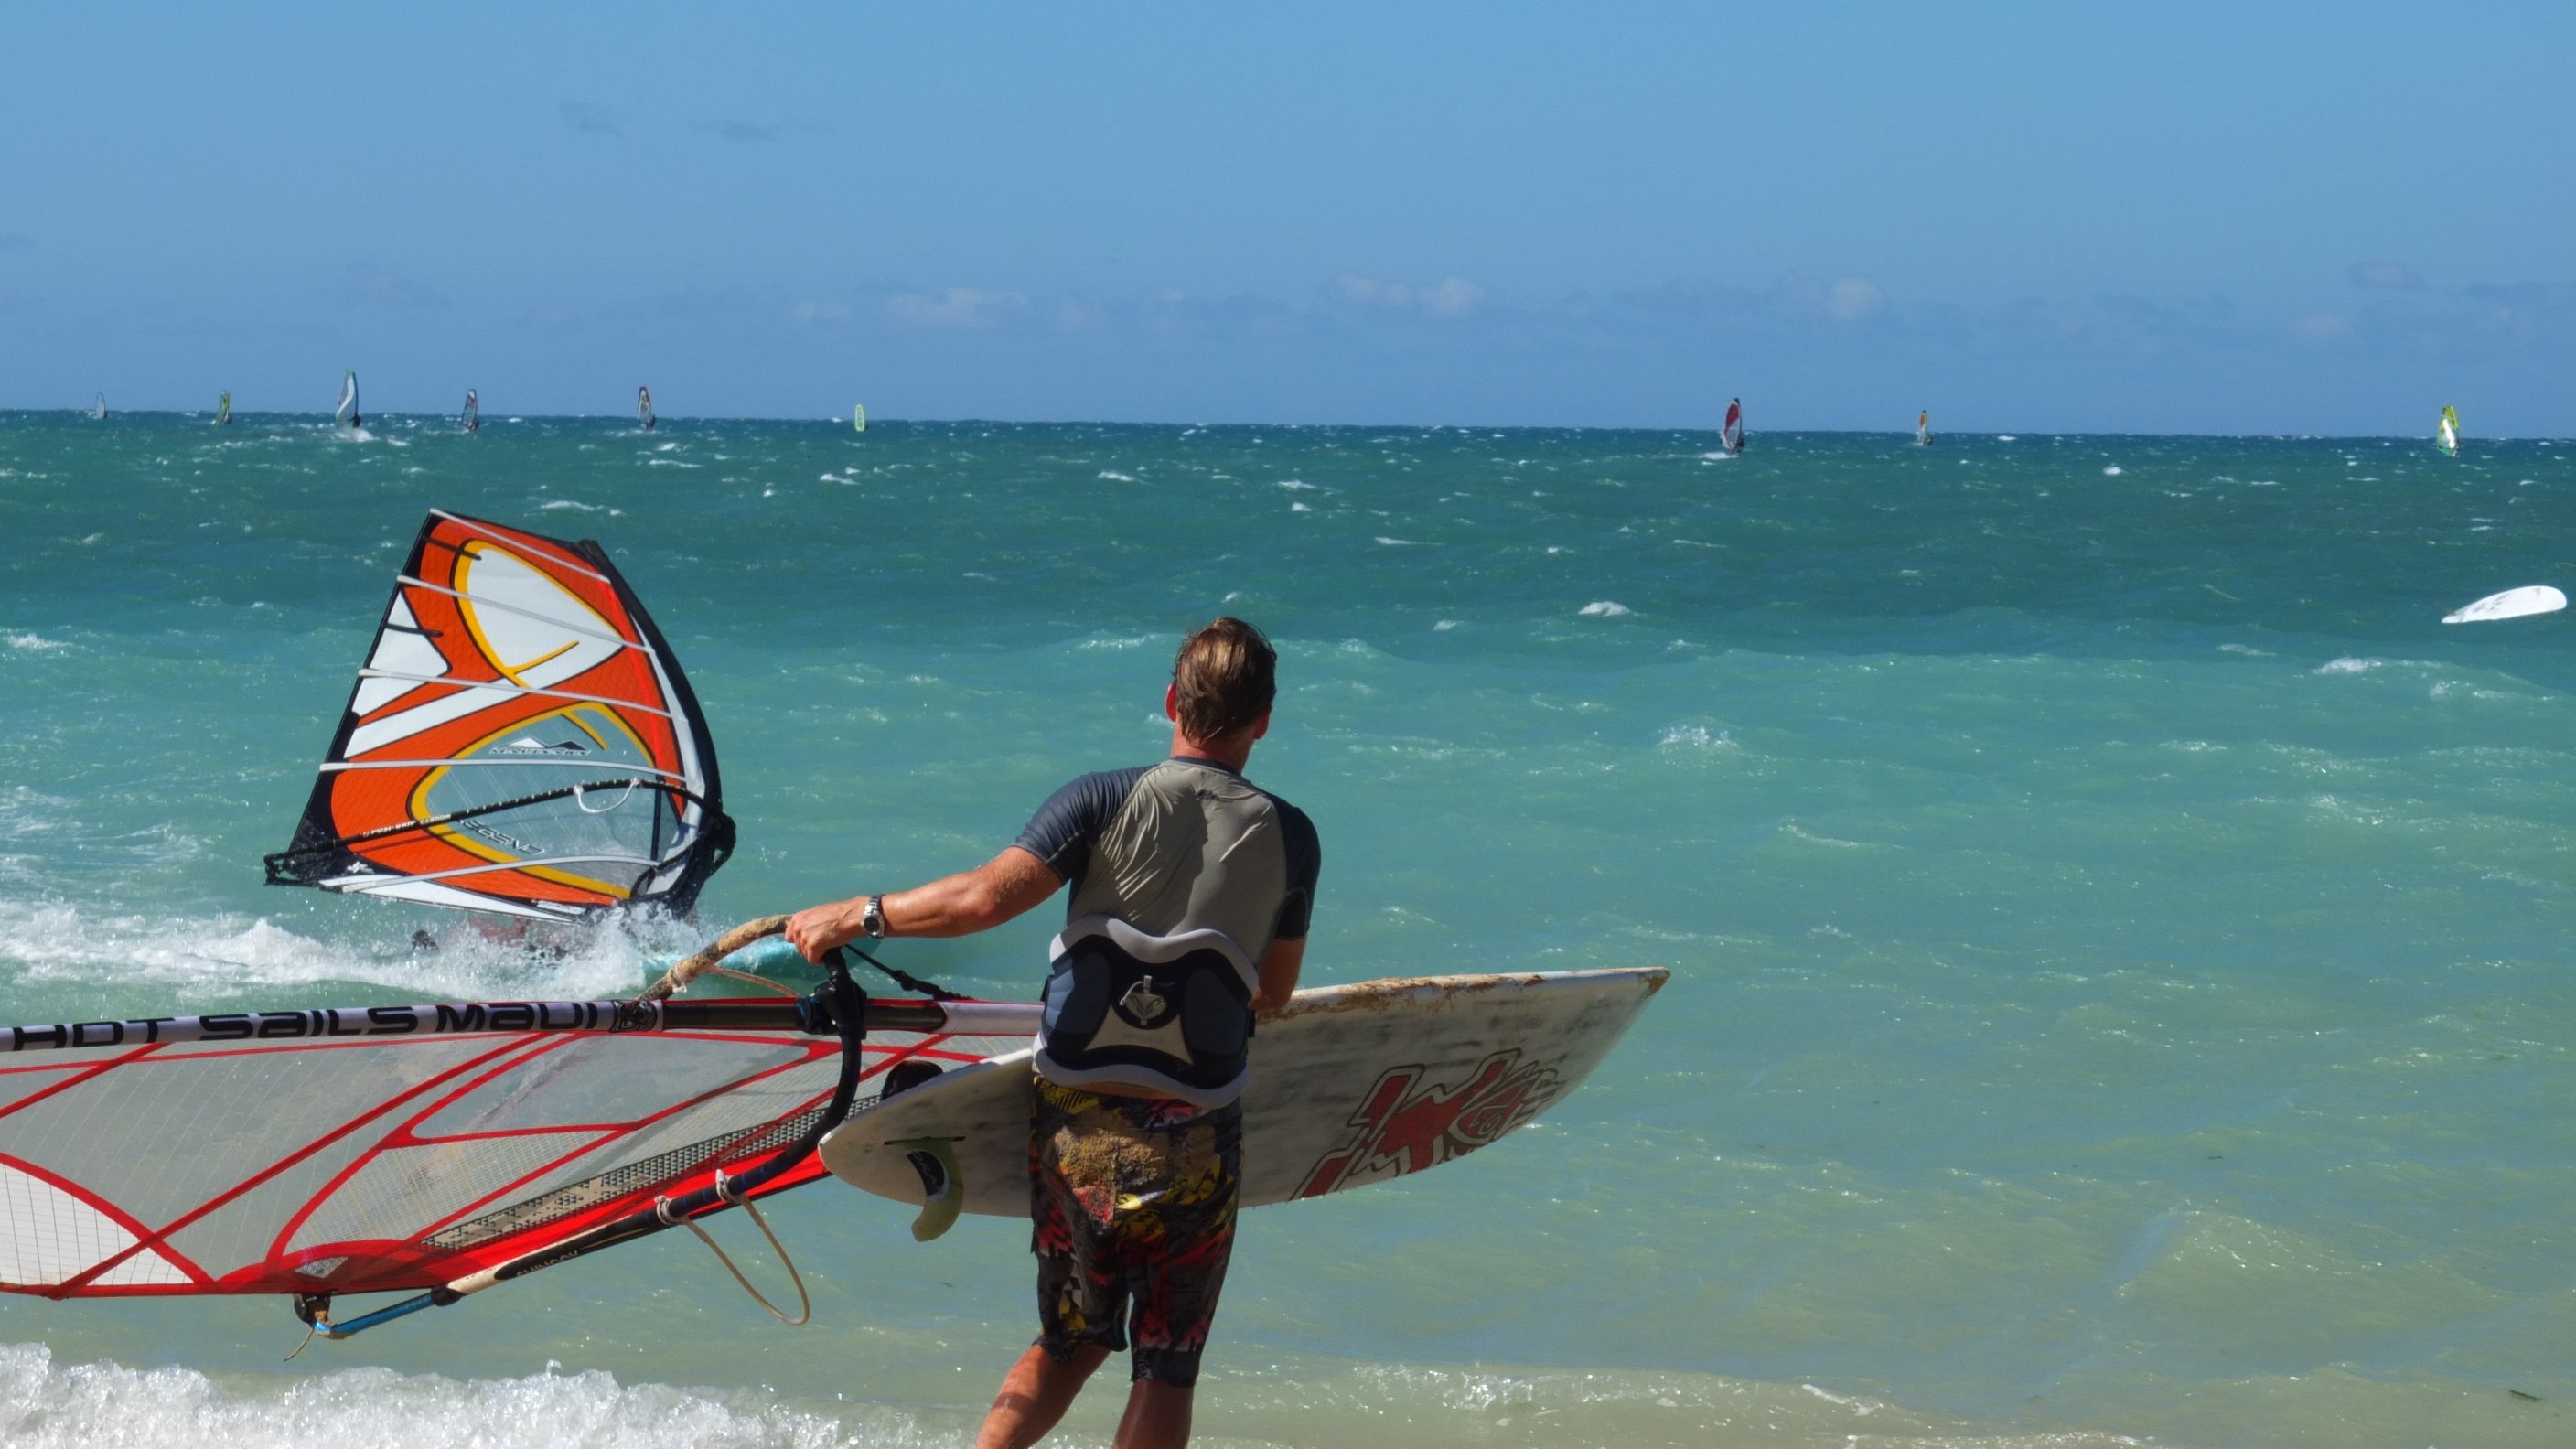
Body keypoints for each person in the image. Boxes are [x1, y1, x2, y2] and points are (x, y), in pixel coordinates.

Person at [786, 617, 1320, 1449]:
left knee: (1072, 1340)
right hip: (1197, 1131)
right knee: (1166, 1363)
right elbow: (1274, 992)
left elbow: (983, 902)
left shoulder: (1099, 799)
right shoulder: (1293, 836)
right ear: (1264, 719)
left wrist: (859, 916)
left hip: (1076, 1126)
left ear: (1172, 701)